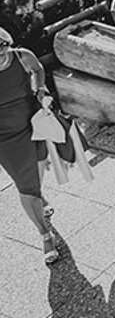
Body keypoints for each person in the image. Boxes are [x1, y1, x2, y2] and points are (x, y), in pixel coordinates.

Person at [0, 27, 59, 265]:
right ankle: (45, 234)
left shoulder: (22, 56)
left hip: (33, 123)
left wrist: (41, 88)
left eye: (2, 46)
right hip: (5, 138)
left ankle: (38, 196)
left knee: (38, 169)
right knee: (25, 184)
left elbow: (38, 69)